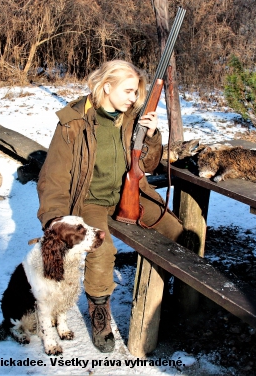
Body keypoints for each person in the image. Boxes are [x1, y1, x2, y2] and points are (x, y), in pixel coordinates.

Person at [37, 60, 184, 353]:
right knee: (101, 248)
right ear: (107, 87)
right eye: (129, 91)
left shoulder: (132, 118)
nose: (134, 98)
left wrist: (153, 137)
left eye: (137, 93)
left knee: (177, 231)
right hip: (89, 200)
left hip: (131, 194)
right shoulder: (73, 122)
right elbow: (53, 175)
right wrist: (54, 218)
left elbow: (150, 164)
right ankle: (100, 313)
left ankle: (169, 298)